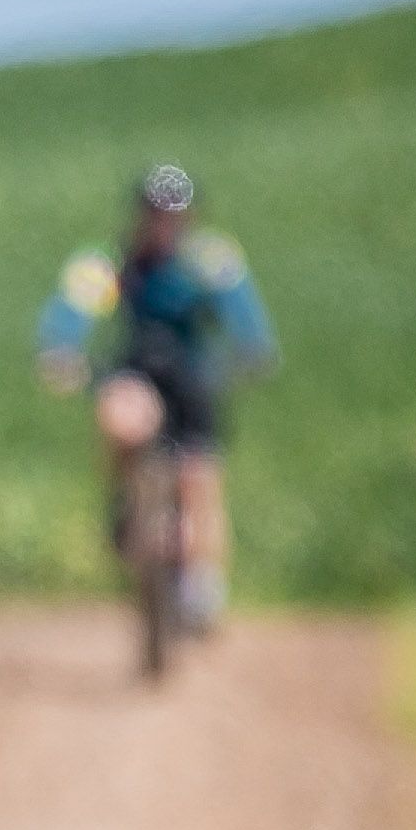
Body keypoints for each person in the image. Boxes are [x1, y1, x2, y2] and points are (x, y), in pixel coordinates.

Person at [34, 164, 276, 634]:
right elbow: (71, 312)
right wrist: (59, 351)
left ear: (190, 217)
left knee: (199, 478)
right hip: (137, 373)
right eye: (156, 214)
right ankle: (126, 502)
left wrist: (253, 348)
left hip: (190, 378)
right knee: (118, 416)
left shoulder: (208, 261)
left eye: (174, 215)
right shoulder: (112, 263)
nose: (164, 224)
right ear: (140, 215)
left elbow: (242, 311)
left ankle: (202, 582)